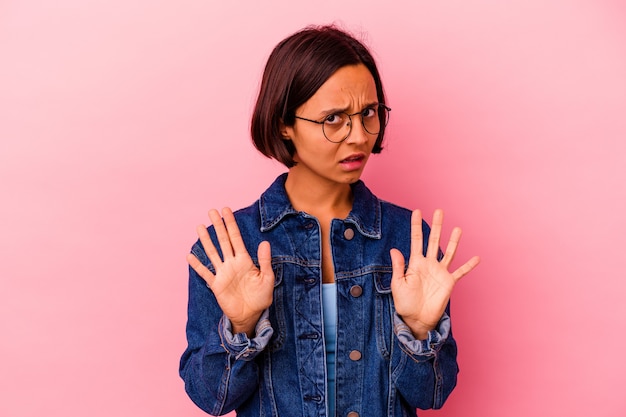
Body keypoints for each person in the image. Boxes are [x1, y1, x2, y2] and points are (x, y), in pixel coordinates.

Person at [179, 25, 480, 417]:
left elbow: (432, 396)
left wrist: (420, 333)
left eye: (369, 113)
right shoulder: (230, 250)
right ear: (284, 123)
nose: (358, 136)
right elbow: (211, 399)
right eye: (334, 119)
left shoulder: (410, 242)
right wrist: (241, 327)